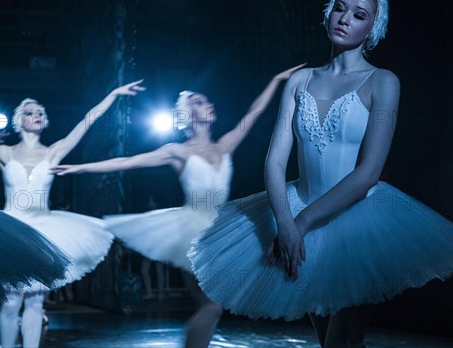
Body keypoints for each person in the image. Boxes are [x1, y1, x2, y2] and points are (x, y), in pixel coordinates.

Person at [188, 0, 453, 347]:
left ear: (373, 28)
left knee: (340, 344)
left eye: (359, 14)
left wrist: (300, 223)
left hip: (358, 222)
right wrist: (285, 224)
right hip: (297, 215)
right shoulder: (299, 81)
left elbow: (367, 173)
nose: (345, 18)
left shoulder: (383, 82)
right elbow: (273, 162)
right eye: (340, 8)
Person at [52, 64, 304, 348]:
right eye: (198, 101)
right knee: (211, 307)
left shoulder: (224, 146)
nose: (207, 103)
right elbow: (126, 162)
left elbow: (253, 114)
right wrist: (79, 169)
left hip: (221, 230)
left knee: (214, 306)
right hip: (190, 232)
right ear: (187, 114)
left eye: (206, 100)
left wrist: (275, 79)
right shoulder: (177, 152)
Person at [0, 80, 144, 348]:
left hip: (43, 231)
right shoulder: (4, 152)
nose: (36, 115)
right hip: (9, 232)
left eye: (40, 112)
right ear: (19, 120)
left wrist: (113, 94)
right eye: (29, 112)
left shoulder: (54, 151)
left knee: (35, 301)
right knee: (10, 303)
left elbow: (87, 122)